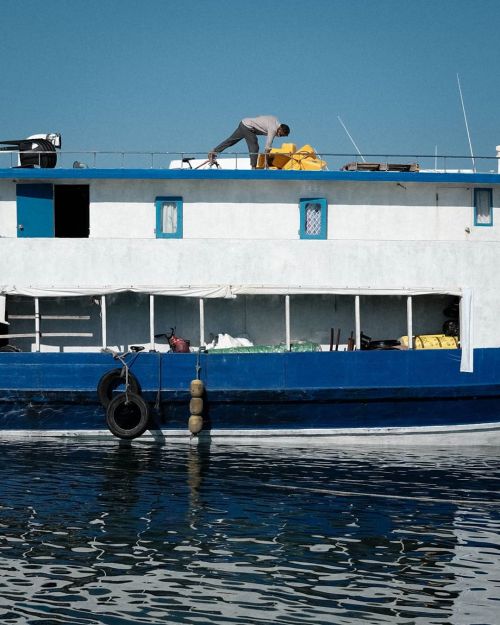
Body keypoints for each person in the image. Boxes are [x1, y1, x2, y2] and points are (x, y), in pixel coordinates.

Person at [209, 116, 290, 168]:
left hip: (244, 123)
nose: (280, 136)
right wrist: (266, 163)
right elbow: (268, 147)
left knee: (231, 141)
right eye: (281, 135)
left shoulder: (275, 120)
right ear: (280, 129)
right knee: (254, 145)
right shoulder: (273, 129)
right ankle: (253, 167)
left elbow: (262, 119)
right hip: (248, 127)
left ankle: (213, 152)